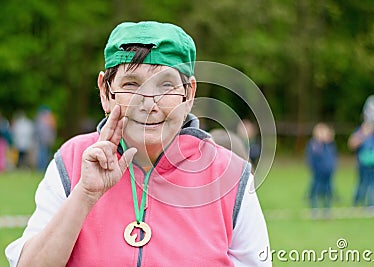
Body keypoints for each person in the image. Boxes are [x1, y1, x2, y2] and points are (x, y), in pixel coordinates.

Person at [6, 21, 271, 266]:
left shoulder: (231, 177)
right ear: (106, 92)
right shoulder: (71, 161)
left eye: (166, 85)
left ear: (188, 94)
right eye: (131, 84)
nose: (148, 104)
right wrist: (84, 195)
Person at [305, 123, 337, 217]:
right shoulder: (315, 145)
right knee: (315, 191)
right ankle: (314, 210)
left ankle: (327, 210)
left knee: (328, 192)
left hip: (328, 173)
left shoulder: (330, 146)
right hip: (318, 174)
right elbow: (312, 158)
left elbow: (333, 158)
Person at [34, 106, 57, 171]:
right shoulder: (45, 120)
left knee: (45, 155)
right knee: (43, 155)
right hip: (43, 141)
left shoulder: (47, 120)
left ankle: (43, 168)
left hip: (45, 141)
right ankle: (41, 168)